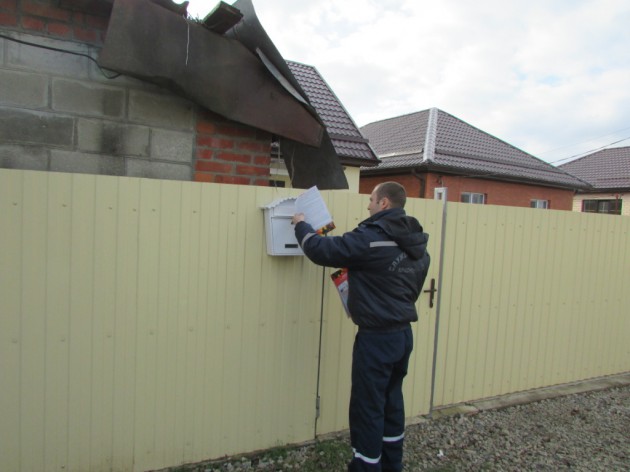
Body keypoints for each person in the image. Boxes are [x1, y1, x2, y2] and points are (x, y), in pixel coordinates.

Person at [292, 182, 430, 472]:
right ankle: (393, 465)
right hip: (403, 335)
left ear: (384, 204)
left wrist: (301, 226)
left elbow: (322, 251)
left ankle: (366, 467)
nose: (367, 205)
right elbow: (410, 289)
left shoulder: (371, 238)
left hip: (376, 339)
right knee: (392, 401)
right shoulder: (417, 244)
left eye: (371, 199)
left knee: (367, 407)